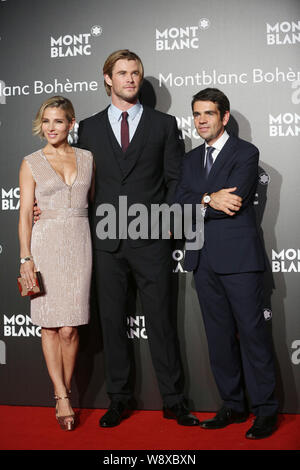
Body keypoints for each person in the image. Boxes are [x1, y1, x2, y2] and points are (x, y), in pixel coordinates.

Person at [76, 49, 198, 427]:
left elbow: (176, 179)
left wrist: (169, 223)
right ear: (108, 78)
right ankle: (119, 399)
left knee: (161, 322)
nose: (130, 79)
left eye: (136, 73)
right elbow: (80, 183)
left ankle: (174, 400)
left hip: (152, 240)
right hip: (107, 241)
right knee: (112, 323)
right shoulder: (90, 128)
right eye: (123, 73)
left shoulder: (163, 125)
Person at [175, 88, 278, 439]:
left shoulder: (245, 153)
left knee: (253, 336)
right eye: (196, 114)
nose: (201, 120)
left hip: (239, 260)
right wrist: (207, 197)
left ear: (224, 117)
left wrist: (199, 201)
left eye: (208, 114)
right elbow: (177, 205)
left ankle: (266, 410)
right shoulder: (188, 160)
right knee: (218, 339)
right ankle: (233, 405)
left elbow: (233, 200)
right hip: (202, 259)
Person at [19, 96, 94, 431]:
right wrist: (25, 257)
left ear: (71, 123)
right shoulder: (31, 161)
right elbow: (24, 215)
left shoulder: (88, 158)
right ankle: (61, 395)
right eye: (46, 121)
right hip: (44, 243)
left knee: (70, 328)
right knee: (50, 326)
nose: (51, 128)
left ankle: (61, 389)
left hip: (79, 242)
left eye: (58, 121)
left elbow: (89, 203)